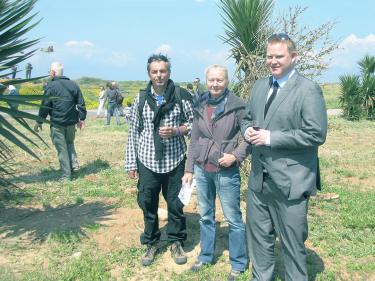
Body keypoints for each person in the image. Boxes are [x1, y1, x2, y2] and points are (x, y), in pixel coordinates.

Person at [241, 33, 328, 281]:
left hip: (291, 181)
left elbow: (315, 134)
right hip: (259, 180)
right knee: (259, 241)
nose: (273, 61)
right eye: (269, 56)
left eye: (279, 56)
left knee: (292, 245)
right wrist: (246, 130)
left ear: (293, 57)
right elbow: (247, 118)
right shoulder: (259, 86)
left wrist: (270, 138)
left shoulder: (308, 90)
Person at [182, 65, 250, 281]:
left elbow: (250, 136)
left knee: (233, 218)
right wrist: (189, 168)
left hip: (225, 170)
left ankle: (238, 263)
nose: (215, 84)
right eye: (211, 80)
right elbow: (194, 139)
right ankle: (206, 256)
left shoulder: (238, 105)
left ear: (227, 81)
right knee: (206, 216)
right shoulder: (200, 103)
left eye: (219, 80)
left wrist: (236, 156)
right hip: (203, 169)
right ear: (206, 81)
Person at [125, 54, 194, 267]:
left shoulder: (182, 96)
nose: (159, 75)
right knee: (148, 202)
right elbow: (134, 131)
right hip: (147, 160)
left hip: (175, 160)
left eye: (162, 71)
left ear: (169, 73)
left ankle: (175, 240)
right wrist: (131, 162)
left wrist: (177, 130)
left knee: (175, 203)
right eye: (154, 71)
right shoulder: (141, 98)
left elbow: (195, 125)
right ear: (149, 74)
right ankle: (151, 241)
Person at [34, 62, 87, 181]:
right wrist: (81, 119)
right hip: (71, 123)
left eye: (49, 72)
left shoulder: (51, 86)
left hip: (57, 123)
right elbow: (81, 103)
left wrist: (39, 121)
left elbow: (45, 106)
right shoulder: (73, 85)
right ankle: (74, 166)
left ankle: (66, 176)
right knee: (69, 143)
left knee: (62, 149)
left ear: (52, 72)